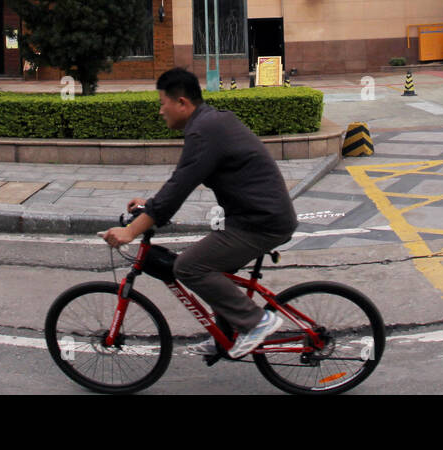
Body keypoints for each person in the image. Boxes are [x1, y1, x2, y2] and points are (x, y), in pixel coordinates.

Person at [101, 67, 298, 358]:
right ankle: (225, 338)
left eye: (162, 104)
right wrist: (150, 205)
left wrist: (131, 230)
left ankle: (257, 322)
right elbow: (182, 179)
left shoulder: (205, 131)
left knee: (189, 267)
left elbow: (179, 188)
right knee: (214, 268)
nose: (160, 111)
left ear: (182, 103)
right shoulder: (209, 124)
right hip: (255, 217)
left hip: (261, 223)